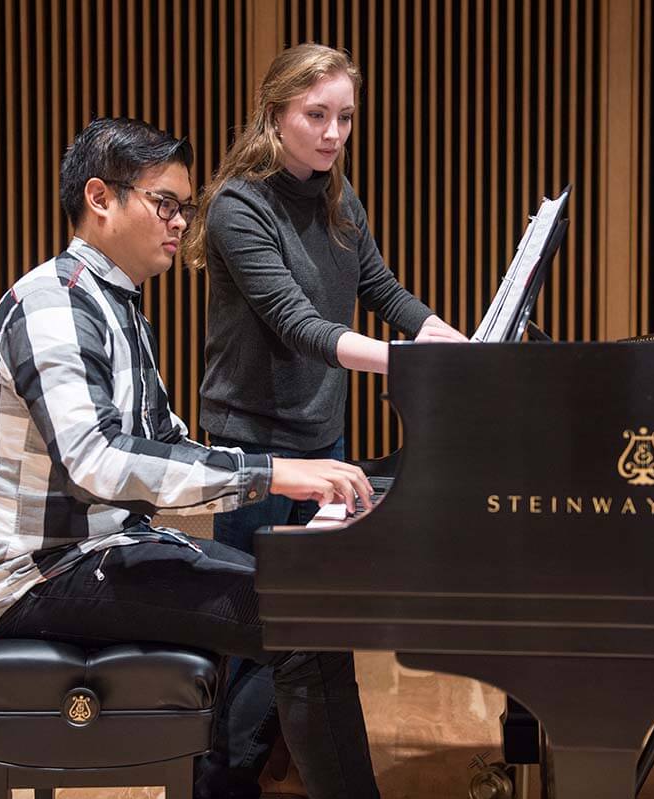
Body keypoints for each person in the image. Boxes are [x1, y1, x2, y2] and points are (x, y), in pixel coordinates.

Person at [0, 116, 381, 799]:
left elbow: (166, 445)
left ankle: (221, 782)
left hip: (103, 552)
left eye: (185, 207)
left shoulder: (118, 310)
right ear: (100, 198)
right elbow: (95, 461)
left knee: (308, 605)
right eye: (166, 203)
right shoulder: (52, 305)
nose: (183, 222)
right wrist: (273, 472)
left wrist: (279, 477)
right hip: (41, 576)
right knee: (304, 623)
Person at [181, 42, 467, 797]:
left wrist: (445, 335)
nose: (334, 132)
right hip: (253, 449)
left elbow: (383, 289)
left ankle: (263, 764)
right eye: (317, 115)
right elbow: (299, 322)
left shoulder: (340, 198)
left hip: (323, 438)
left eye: (344, 116)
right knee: (265, 633)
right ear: (276, 113)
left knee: (306, 631)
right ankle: (221, 778)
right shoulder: (242, 205)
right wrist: (405, 363)